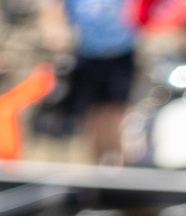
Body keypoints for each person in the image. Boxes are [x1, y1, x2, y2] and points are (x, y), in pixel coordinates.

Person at [41, 0, 140, 164]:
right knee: (91, 114)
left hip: (121, 52)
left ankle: (118, 162)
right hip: (87, 54)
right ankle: (97, 164)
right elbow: (54, 11)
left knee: (116, 112)